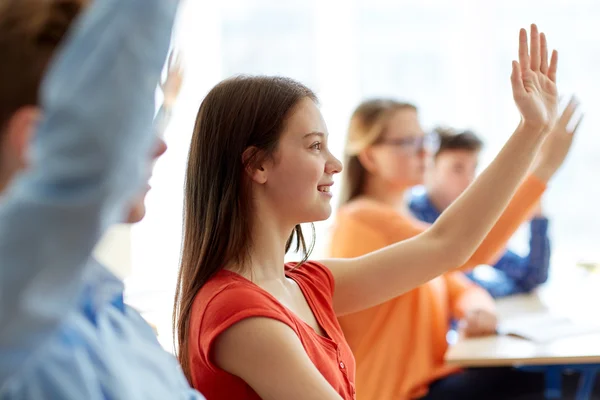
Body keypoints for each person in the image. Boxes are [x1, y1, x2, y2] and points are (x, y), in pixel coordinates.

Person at [175, 24, 561, 400]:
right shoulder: (239, 313)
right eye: (313, 146)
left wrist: (531, 129)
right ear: (257, 165)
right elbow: (450, 246)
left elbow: (447, 245)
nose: (335, 164)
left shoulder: (304, 285)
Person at [328, 32, 580, 400]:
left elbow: (459, 283)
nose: (423, 152)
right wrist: (541, 169)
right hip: (398, 394)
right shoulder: (362, 218)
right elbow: (464, 251)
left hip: (430, 382)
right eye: (406, 143)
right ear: (368, 157)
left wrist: (476, 308)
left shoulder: (407, 223)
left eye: (423, 140)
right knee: (557, 380)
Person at [0, 0, 203, 398]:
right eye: (136, 124)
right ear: (36, 143)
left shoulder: (117, 318)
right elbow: (90, 164)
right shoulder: (11, 313)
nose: (160, 145)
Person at [410, 117, 577, 297]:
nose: (470, 180)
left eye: (474, 168)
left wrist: (535, 205)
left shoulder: (467, 219)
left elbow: (532, 276)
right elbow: (460, 288)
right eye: (457, 169)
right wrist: (540, 172)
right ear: (429, 168)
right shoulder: (411, 216)